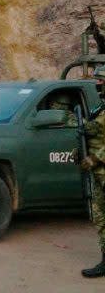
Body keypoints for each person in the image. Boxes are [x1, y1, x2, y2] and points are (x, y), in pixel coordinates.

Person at [81, 66, 105, 278]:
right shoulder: (100, 109)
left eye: (101, 82)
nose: (99, 86)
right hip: (99, 174)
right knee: (101, 218)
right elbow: (90, 137)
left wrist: (95, 158)